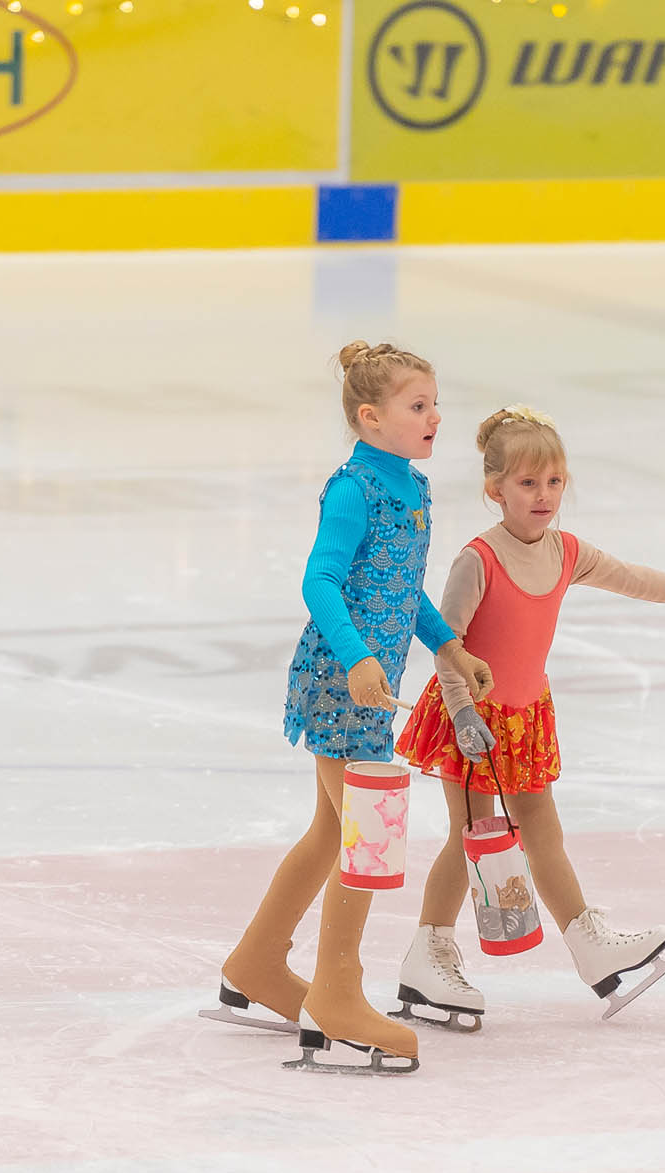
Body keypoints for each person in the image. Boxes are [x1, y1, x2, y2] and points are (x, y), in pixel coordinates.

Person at [392, 404, 665, 1028]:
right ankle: (427, 954)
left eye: (554, 482)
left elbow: (633, 578)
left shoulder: (565, 552)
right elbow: (446, 644)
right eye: (528, 483)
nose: (544, 495)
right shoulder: (478, 559)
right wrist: (461, 714)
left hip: (526, 716)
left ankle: (589, 944)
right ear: (495, 490)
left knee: (543, 832)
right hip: (472, 716)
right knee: (472, 837)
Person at [199, 341, 492, 1074]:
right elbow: (320, 581)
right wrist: (359, 658)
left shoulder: (413, 488)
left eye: (434, 404)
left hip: (370, 687)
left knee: (333, 832)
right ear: (371, 417)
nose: (434, 417)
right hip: (340, 681)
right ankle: (335, 995)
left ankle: (256, 961)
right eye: (417, 406)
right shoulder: (354, 488)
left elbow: (402, 588)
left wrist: (450, 647)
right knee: (370, 835)